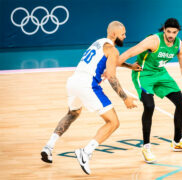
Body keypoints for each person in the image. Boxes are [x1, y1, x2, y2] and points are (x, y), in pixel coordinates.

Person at [41, 21, 139, 175]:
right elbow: (112, 77)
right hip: (88, 85)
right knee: (113, 122)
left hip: (73, 81)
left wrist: (129, 66)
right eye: (123, 33)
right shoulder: (112, 50)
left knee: (72, 113)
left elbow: (108, 62)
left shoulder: (99, 42)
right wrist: (125, 98)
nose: (125, 36)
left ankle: (48, 146)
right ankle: (85, 152)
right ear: (114, 34)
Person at [119, 18, 182, 163]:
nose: (171, 35)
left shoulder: (179, 44)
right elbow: (130, 52)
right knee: (149, 106)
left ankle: (177, 141)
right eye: (168, 31)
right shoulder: (153, 41)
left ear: (178, 32)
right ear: (164, 30)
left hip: (161, 74)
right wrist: (114, 66)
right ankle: (146, 147)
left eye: (174, 32)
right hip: (143, 74)